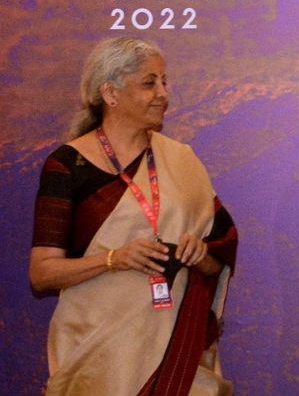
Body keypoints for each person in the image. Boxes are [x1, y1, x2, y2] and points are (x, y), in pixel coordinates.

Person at [29, 37, 238, 395]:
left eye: (164, 81)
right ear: (110, 93)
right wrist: (115, 259)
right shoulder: (67, 165)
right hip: (95, 358)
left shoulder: (182, 160)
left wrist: (199, 254)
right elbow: (42, 274)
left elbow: (221, 252)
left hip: (177, 351)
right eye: (149, 82)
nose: (163, 93)